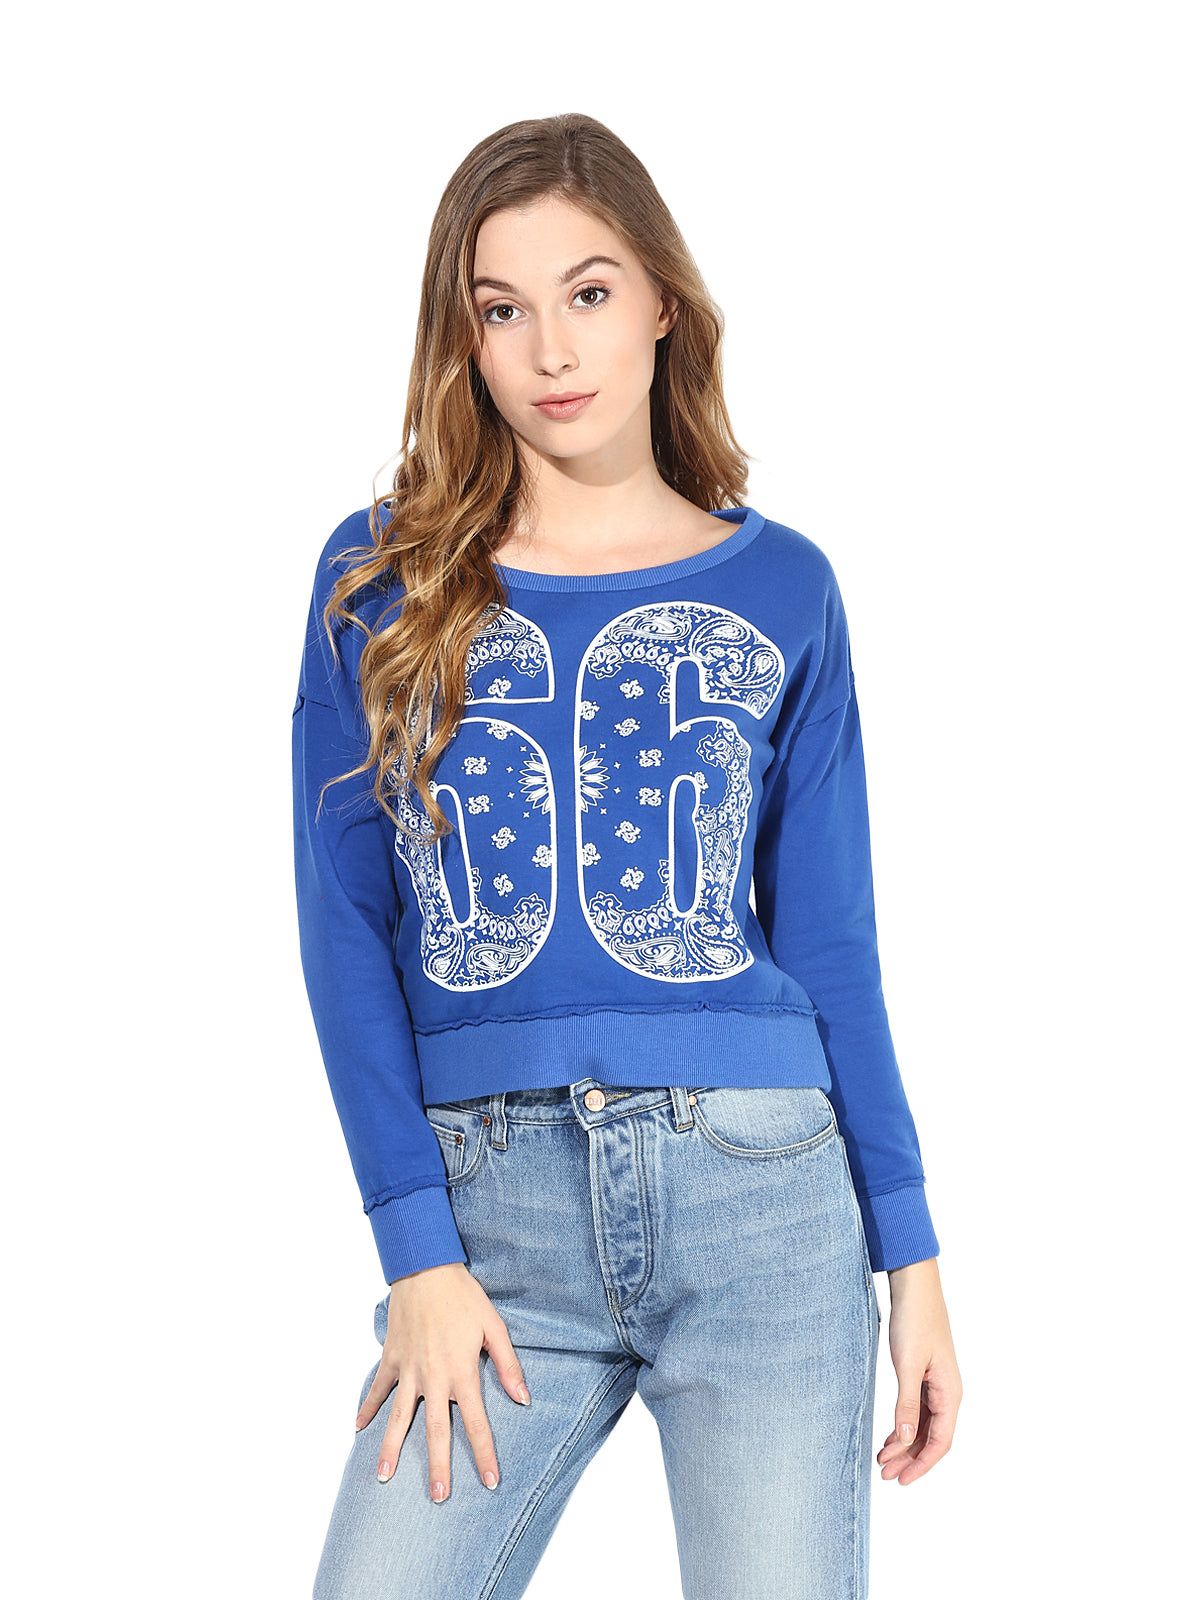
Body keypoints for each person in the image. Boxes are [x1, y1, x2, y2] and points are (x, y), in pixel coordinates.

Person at [292, 112, 962, 1599]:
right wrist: (416, 1250)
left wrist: (910, 1254)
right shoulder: (380, 581)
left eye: (589, 293)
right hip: (490, 1220)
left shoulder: (785, 586)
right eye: (502, 308)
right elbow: (343, 925)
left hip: (766, 1192)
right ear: (463, 339)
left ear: (663, 300)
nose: (552, 349)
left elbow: (832, 941)